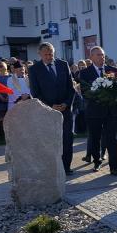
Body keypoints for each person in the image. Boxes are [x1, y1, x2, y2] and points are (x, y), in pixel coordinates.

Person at [28, 42, 75, 175]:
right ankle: (52, 168)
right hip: (46, 111)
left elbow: (71, 88)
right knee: (49, 141)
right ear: (40, 54)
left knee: (67, 139)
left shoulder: (63, 64)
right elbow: (35, 93)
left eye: (51, 54)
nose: (49, 57)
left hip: (65, 110)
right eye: (46, 54)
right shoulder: (34, 69)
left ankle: (66, 167)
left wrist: (66, 103)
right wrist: (50, 106)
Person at [78, 46, 117, 176]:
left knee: (111, 139)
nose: (101, 57)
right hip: (94, 111)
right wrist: (99, 96)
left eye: (102, 55)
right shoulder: (85, 73)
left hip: (111, 111)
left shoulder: (112, 70)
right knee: (95, 138)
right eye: (98, 55)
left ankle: (114, 167)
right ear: (91, 57)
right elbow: (85, 93)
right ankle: (97, 161)